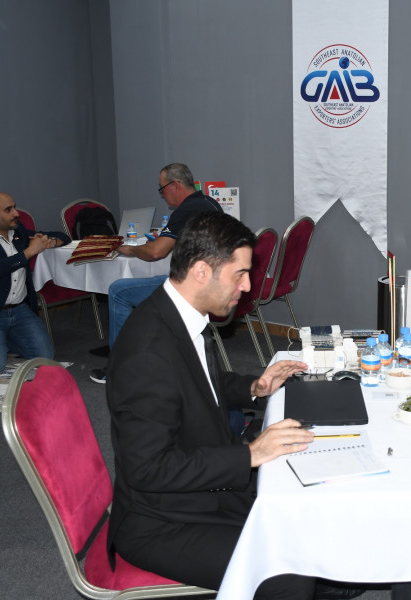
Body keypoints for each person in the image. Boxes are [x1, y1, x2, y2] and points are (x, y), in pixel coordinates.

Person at [106, 211, 316, 598]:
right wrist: (250, 454)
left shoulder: (181, 316)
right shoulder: (147, 353)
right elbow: (147, 470)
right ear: (202, 271)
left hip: (204, 488)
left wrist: (255, 386)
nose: (248, 286)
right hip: (162, 521)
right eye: (240, 274)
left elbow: (202, 383)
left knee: (310, 512)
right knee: (287, 573)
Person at [90, 162, 222, 384]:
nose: (162, 194)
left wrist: (130, 249)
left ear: (175, 185)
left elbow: (155, 253)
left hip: (196, 289)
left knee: (118, 291)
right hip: (214, 281)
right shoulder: (209, 202)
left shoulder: (186, 209)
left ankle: (120, 367)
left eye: (162, 189)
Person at [0, 192, 69, 375]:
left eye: (14, 207)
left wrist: (52, 242)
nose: (16, 213)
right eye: (8, 210)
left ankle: (6, 340)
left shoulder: (17, 232)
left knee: (45, 357)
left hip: (20, 310)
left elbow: (62, 235)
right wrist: (30, 251)